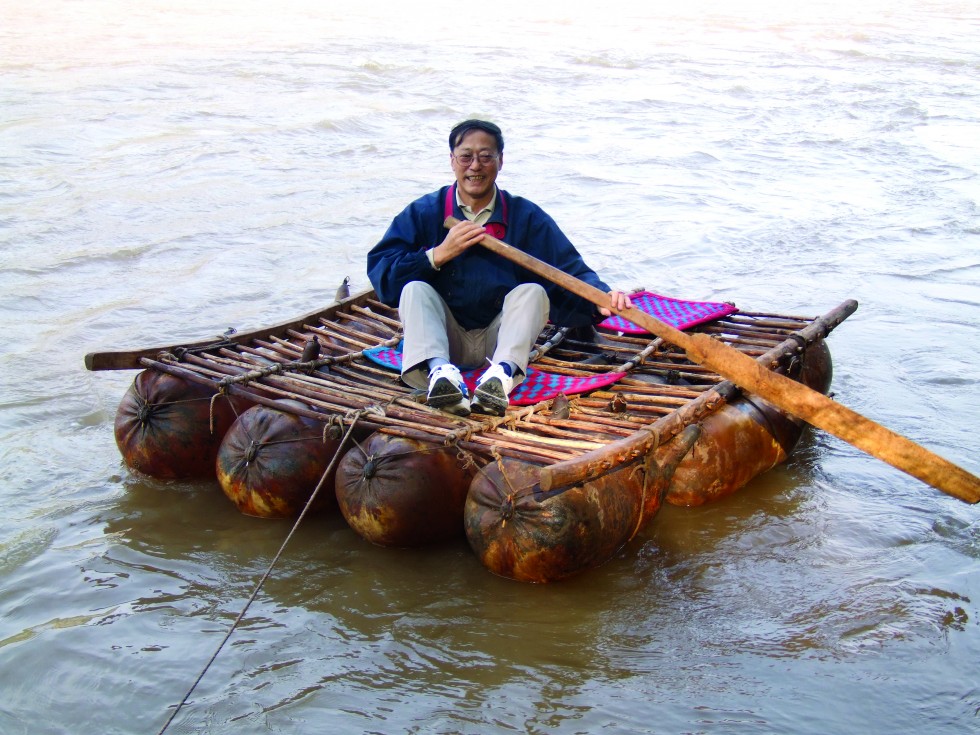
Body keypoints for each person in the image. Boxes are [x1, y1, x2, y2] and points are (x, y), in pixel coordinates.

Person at [367, 119, 631, 417]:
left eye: (486, 156)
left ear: (500, 161)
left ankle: (500, 377)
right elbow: (383, 272)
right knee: (414, 289)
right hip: (442, 340)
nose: (475, 166)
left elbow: (568, 269)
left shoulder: (526, 216)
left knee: (532, 291)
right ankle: (440, 374)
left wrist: (601, 297)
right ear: (452, 161)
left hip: (500, 342)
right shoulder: (424, 212)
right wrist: (438, 255)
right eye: (466, 156)